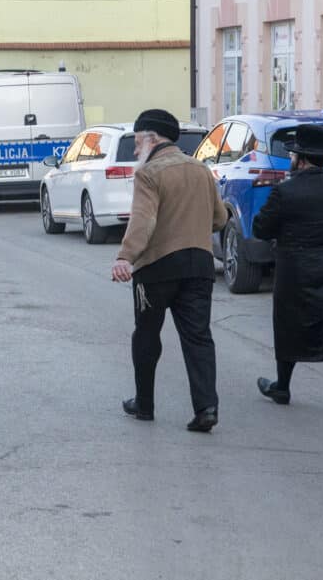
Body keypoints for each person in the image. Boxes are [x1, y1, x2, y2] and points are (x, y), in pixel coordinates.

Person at [112, 109, 227, 432]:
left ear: (152, 139)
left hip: (157, 269)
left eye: (136, 143)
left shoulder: (149, 173)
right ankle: (206, 407)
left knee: (147, 335)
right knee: (199, 337)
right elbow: (219, 219)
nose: (136, 151)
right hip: (200, 266)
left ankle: (144, 404)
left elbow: (143, 220)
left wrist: (125, 257)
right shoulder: (201, 169)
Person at [252, 124, 323, 419]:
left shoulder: (285, 192)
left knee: (289, 327)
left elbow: (261, 228)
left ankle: (283, 387)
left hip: (296, 275)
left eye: (292, 155)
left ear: (299, 158)